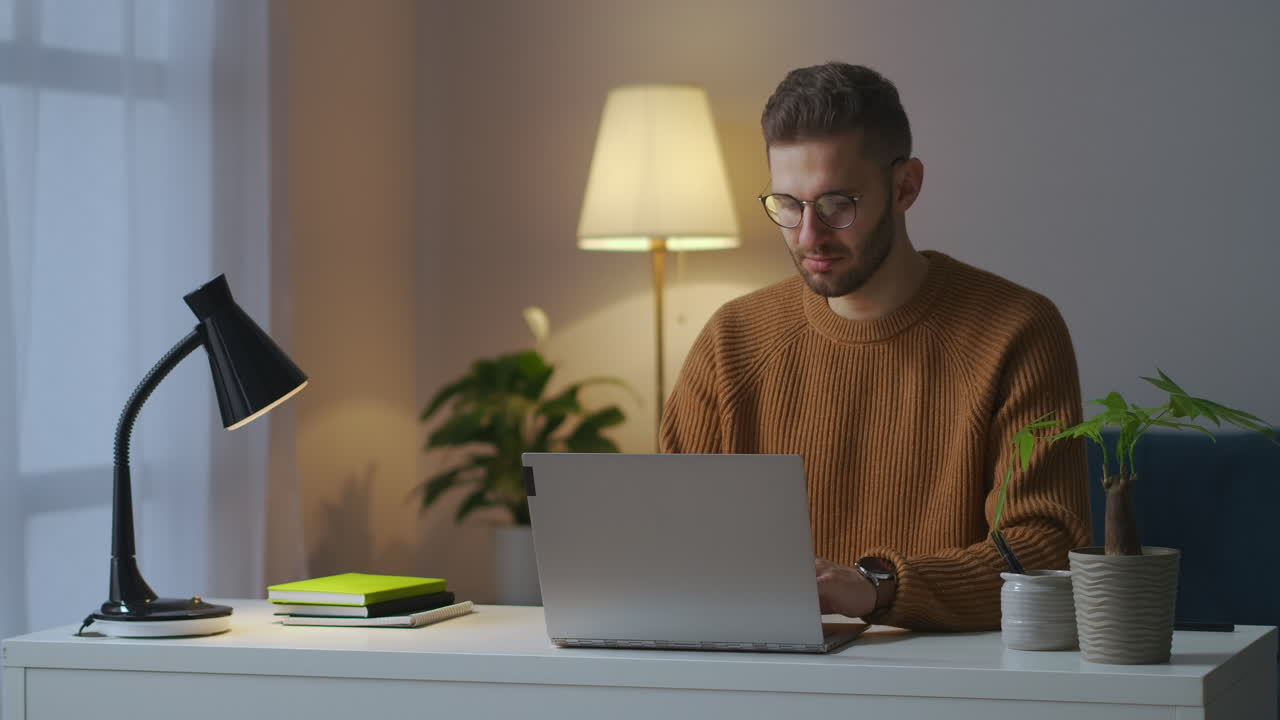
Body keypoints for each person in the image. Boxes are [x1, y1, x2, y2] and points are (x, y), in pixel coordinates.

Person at [659, 62, 1091, 632]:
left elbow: (1046, 547)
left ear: (905, 186)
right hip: (764, 665)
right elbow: (666, 539)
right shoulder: (732, 338)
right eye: (787, 204)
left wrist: (877, 587)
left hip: (949, 669)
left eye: (837, 204)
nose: (808, 235)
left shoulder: (1016, 330)